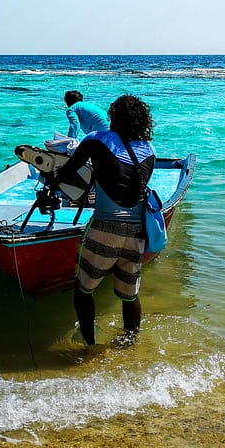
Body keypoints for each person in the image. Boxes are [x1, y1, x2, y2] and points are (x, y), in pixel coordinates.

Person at [54, 94, 155, 346]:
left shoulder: (95, 140)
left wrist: (51, 184)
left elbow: (68, 171)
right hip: (136, 233)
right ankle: (129, 343)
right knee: (129, 296)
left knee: (84, 289)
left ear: (113, 117)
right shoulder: (149, 150)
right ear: (142, 121)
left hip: (103, 228)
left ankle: (89, 343)